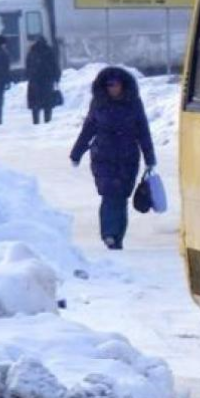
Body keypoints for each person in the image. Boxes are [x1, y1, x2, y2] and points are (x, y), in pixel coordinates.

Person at [69, 67, 157, 250]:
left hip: (128, 157)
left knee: (122, 196)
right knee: (110, 195)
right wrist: (76, 153)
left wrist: (150, 158)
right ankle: (109, 234)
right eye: (109, 85)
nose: (112, 88)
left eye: (115, 85)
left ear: (122, 85)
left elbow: (143, 130)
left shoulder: (133, 103)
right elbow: (88, 128)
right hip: (103, 156)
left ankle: (117, 236)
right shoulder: (99, 103)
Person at [25, 35, 61, 124]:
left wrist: (29, 76)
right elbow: (55, 65)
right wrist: (57, 77)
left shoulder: (32, 52)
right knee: (47, 102)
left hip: (34, 80)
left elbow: (28, 66)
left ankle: (36, 121)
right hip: (47, 80)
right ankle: (47, 120)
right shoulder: (49, 51)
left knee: (35, 102)